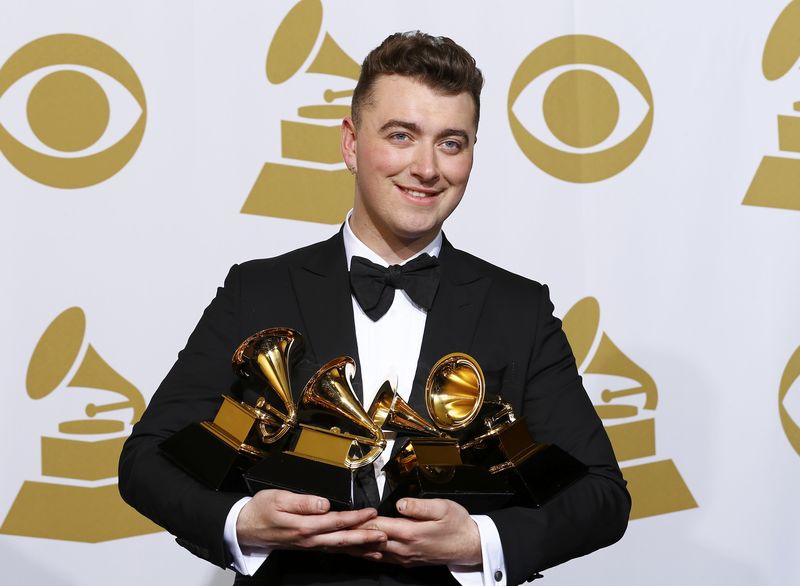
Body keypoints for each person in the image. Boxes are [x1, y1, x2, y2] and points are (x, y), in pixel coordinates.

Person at [119, 31, 630, 586]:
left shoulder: (520, 308)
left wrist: (480, 541)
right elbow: (146, 461)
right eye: (402, 136)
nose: (427, 167)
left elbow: (602, 494)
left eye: (451, 142)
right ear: (351, 143)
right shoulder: (257, 290)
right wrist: (242, 523)